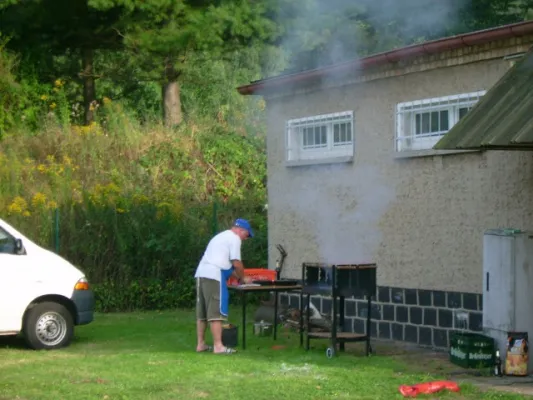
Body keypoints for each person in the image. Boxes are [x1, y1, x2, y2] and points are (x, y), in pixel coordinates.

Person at [194, 218, 254, 354]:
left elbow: (226, 265)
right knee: (216, 313)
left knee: (202, 313)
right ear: (240, 230)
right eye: (247, 235)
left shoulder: (221, 236)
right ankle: (218, 347)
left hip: (201, 274)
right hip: (214, 276)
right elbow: (237, 263)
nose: (246, 238)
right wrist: (243, 278)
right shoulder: (234, 239)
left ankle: (201, 344)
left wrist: (238, 276)